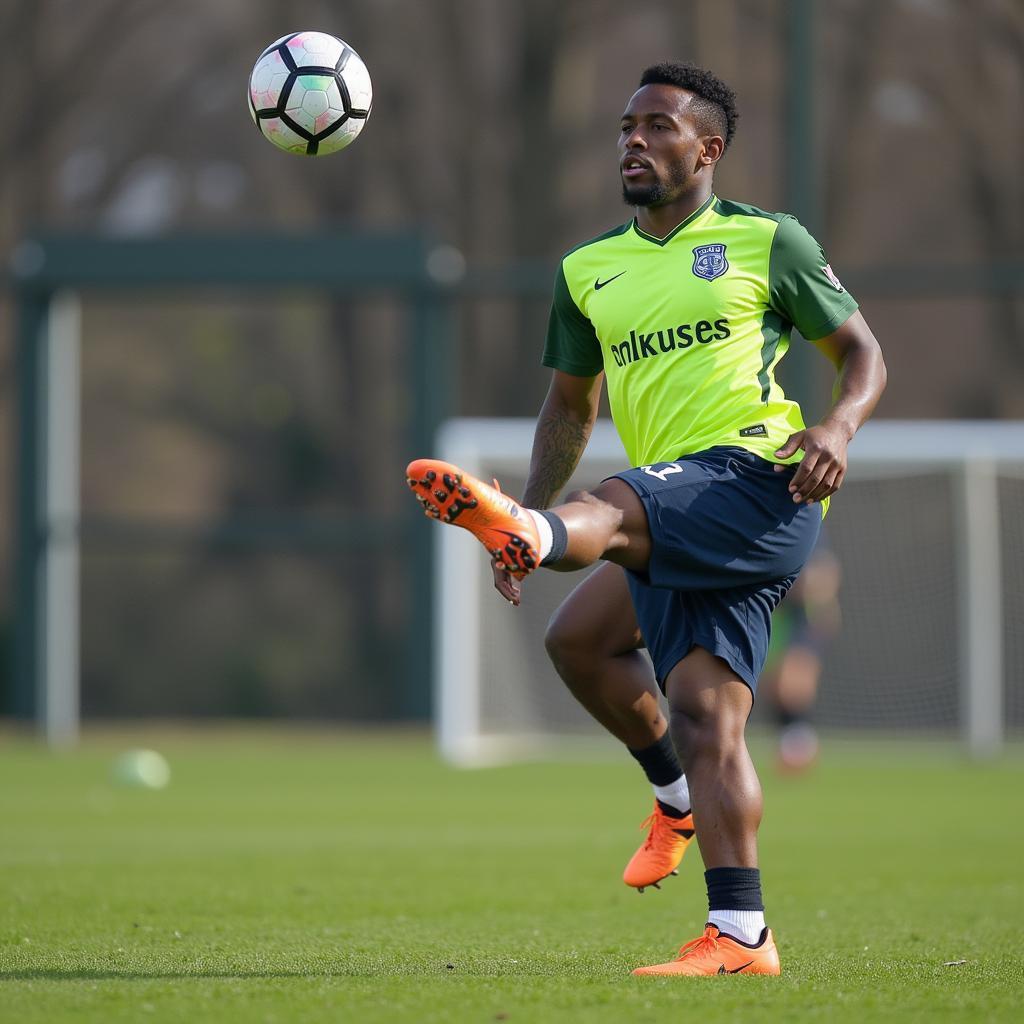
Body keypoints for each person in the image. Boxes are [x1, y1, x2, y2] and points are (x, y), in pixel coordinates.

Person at [406, 62, 886, 977]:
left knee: (613, 511)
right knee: (612, 664)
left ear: (707, 149)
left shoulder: (768, 241)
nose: (634, 140)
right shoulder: (588, 270)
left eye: (658, 126)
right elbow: (569, 407)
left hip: (760, 479)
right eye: (626, 126)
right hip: (672, 500)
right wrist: (539, 501)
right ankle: (736, 924)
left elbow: (862, 353)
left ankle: (535, 534)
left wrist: (837, 422)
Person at [760, 537, 842, 773]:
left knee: (793, 684)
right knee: (774, 685)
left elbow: (825, 575)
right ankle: (790, 743)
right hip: (779, 616)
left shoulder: (813, 524)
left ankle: (799, 744)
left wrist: (816, 595)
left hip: (806, 618)